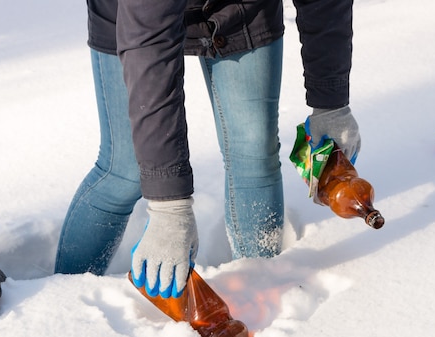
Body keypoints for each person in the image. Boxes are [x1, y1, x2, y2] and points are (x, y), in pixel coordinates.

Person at [55, 0, 361, 299]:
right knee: (126, 170)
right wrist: (169, 205)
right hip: (133, 18)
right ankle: (65, 299)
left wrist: (330, 105)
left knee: (254, 154)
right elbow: (149, 47)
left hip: (240, 7)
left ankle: (260, 295)